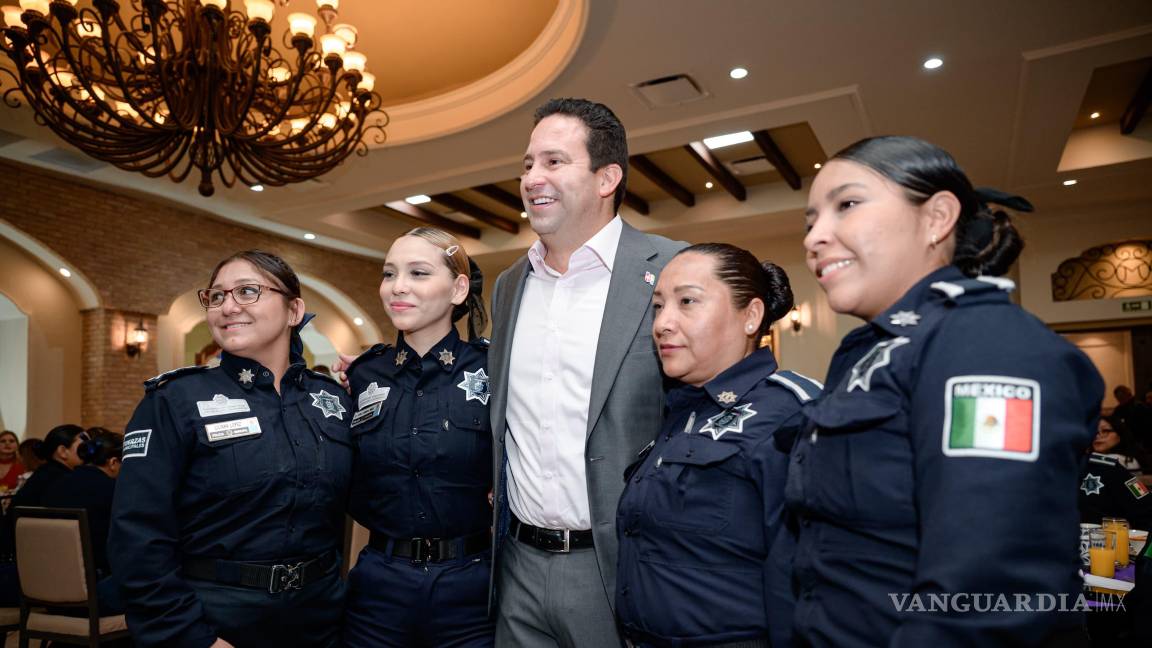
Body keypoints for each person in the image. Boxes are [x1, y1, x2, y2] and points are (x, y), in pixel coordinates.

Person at [790, 135, 1103, 646]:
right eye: (810, 222)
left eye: (846, 205)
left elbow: (988, 593)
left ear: (937, 217)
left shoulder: (988, 345)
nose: (815, 238)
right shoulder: (877, 349)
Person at [488, 97, 686, 647]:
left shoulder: (672, 267)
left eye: (554, 161)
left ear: (607, 178)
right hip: (517, 567)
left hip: (622, 566)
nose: (532, 178)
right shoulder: (509, 285)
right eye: (528, 164)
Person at [109, 250, 353, 648]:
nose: (228, 307)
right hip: (216, 620)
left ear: (294, 310)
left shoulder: (332, 400)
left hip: (321, 617)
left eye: (247, 291)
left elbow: (376, 496)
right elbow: (137, 535)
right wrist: (188, 635)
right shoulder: (175, 400)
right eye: (217, 296)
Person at [615, 244, 820, 648]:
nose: (662, 324)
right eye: (658, 306)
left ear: (751, 316)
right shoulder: (680, 410)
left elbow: (811, 580)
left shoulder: (789, 413)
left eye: (687, 301)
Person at [342, 227, 494, 647]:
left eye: (418, 273)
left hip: (470, 588)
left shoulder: (493, 369)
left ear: (458, 289)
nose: (397, 287)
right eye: (389, 273)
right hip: (379, 587)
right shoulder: (365, 374)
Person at [42, 430, 125, 612]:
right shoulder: (114, 491)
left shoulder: (55, 486)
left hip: (47, 590)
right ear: (113, 463)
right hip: (93, 594)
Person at [11, 423, 86, 508]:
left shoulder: (47, 471)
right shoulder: (59, 478)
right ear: (63, 451)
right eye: (84, 446)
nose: (91, 451)